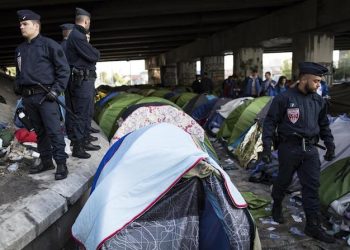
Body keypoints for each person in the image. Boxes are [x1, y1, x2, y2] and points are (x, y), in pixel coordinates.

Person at [262, 62, 336, 243]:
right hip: (289, 148)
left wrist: (330, 144)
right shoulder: (283, 99)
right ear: (304, 79)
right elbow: (270, 123)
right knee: (283, 181)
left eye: (320, 81)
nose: (319, 84)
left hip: (310, 150)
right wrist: (266, 146)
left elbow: (324, 125)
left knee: (312, 187)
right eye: (316, 81)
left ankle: (312, 226)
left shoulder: (318, 101)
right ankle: (277, 205)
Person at [15, 10, 70, 180]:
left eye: (25, 24)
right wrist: (18, 86)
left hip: (46, 96)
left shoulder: (50, 45)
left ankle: (61, 164)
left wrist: (56, 90)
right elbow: (19, 73)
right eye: (20, 24)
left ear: (36, 25)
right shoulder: (20, 49)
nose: (21, 27)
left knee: (54, 131)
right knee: (39, 132)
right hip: (28, 97)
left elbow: (64, 69)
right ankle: (46, 161)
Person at [66, 7, 100, 159]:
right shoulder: (78, 36)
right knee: (81, 114)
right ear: (86, 21)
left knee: (85, 113)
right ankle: (78, 147)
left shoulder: (77, 35)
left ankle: (84, 141)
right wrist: (96, 52)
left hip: (84, 80)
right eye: (89, 23)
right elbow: (94, 55)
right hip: (82, 81)